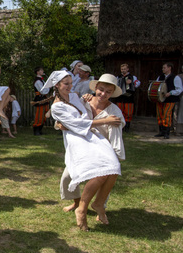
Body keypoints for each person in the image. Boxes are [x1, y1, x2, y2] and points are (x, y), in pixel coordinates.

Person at [44, 70, 122, 231]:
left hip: (94, 138)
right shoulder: (57, 107)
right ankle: (81, 207)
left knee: (114, 167)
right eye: (66, 84)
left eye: (71, 83)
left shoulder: (74, 97)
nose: (70, 86)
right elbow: (77, 124)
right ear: (57, 85)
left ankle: (99, 203)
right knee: (94, 174)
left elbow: (80, 114)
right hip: (78, 139)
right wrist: (60, 124)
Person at [59, 74, 126, 215]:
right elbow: (66, 117)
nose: (103, 94)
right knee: (67, 177)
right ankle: (77, 202)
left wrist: (115, 156)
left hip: (102, 151)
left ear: (112, 93)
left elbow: (115, 136)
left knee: (105, 174)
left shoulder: (114, 112)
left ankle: (100, 206)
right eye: (101, 89)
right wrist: (59, 124)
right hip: (81, 147)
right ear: (95, 87)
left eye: (108, 92)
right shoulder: (83, 101)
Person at [154, 62, 182, 139]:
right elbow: (156, 86)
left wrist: (170, 93)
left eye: (164, 67)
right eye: (163, 68)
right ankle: (161, 132)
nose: (163, 69)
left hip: (170, 99)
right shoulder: (160, 77)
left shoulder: (175, 77)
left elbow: (179, 89)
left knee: (167, 114)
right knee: (160, 114)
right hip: (160, 99)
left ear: (169, 68)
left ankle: (167, 133)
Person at [114, 63, 140, 132]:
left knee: (128, 113)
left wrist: (131, 83)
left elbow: (138, 84)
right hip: (120, 97)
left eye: (124, 69)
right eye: (122, 69)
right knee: (119, 112)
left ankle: (127, 128)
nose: (123, 70)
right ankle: (120, 127)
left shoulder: (132, 77)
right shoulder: (118, 77)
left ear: (127, 69)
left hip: (129, 97)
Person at [32, 66, 50, 135]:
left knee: (44, 114)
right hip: (40, 99)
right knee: (39, 114)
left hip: (44, 98)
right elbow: (43, 91)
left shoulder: (42, 80)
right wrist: (48, 88)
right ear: (38, 72)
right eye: (41, 70)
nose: (43, 71)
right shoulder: (37, 81)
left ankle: (40, 130)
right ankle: (36, 130)